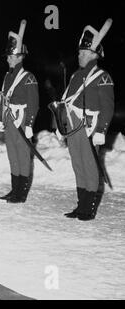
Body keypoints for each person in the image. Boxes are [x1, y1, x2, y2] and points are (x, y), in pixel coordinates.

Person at [50, 19, 114, 221]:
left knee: (90, 166)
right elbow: (66, 101)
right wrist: (60, 126)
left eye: (83, 53)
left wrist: (101, 131)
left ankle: (89, 209)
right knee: (78, 165)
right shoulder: (76, 75)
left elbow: (108, 107)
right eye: (79, 52)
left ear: (93, 54)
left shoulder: (103, 77)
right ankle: (81, 205)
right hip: (72, 126)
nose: (79, 55)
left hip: (89, 128)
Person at [0, 20, 39, 203]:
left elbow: (34, 103)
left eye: (10, 56)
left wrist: (29, 124)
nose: (7, 59)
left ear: (19, 57)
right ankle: (14, 190)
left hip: (21, 120)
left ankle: (21, 194)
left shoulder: (28, 77)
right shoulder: (7, 76)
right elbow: (3, 98)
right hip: (8, 119)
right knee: (12, 155)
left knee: (22, 156)